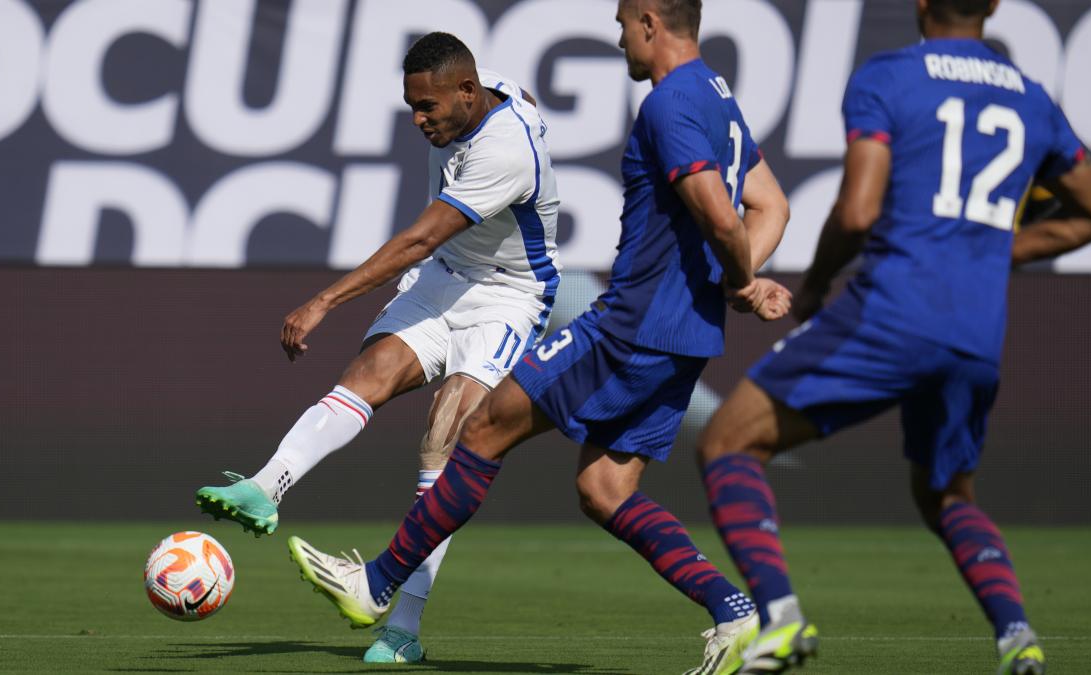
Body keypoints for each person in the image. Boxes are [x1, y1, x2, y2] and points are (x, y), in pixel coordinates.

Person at [284, 1, 793, 673]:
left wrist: (742, 277)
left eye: (620, 24)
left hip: (633, 325)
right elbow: (773, 205)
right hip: (689, 334)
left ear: (649, 20)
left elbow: (725, 220)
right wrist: (738, 283)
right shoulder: (718, 96)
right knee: (605, 489)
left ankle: (378, 582)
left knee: (484, 428)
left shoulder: (669, 105)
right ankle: (735, 613)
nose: (618, 41)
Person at [696, 0, 1091, 672]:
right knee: (947, 492)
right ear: (996, 7)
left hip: (892, 312)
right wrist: (992, 247)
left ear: (921, 3)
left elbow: (859, 209)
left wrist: (813, 288)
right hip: (976, 329)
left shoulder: (889, 76)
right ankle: (1017, 639)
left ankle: (778, 620)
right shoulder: (1032, 99)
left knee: (728, 442)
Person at [195, 32, 561, 663]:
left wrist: (323, 302)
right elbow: (519, 93)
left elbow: (416, 242)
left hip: (508, 296)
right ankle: (265, 487)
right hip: (445, 279)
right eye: (412, 107)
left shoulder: (505, 152)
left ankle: (403, 626)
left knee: (444, 431)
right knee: (369, 374)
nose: (419, 121)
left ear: (468, 93)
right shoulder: (485, 86)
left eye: (429, 108)